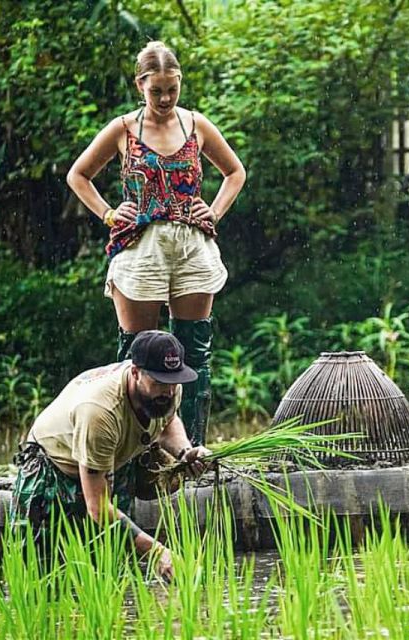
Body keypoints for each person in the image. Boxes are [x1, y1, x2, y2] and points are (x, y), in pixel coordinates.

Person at [66, 41, 246, 446]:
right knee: (137, 356)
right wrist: (110, 214)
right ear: (140, 86)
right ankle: (133, 450)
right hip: (140, 248)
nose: (165, 98)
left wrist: (214, 211)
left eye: (172, 89)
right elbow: (78, 175)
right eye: (156, 91)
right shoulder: (123, 129)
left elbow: (235, 172)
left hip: (191, 247)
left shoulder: (196, 125)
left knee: (193, 350)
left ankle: (191, 451)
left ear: (180, 83)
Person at [10, 331, 211, 580]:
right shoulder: (100, 412)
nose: (168, 390)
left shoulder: (167, 389)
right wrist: (159, 552)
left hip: (112, 463)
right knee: (44, 577)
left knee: (112, 568)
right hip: (53, 472)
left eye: (174, 381)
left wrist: (185, 452)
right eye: (159, 382)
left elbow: (167, 420)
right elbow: (98, 507)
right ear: (135, 372)